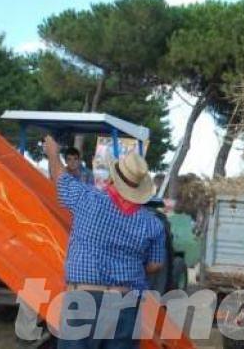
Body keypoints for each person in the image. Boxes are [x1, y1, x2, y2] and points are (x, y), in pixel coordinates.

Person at [44, 136, 165, 349]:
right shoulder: (153, 223)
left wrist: (53, 153)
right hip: (125, 303)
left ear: (112, 178)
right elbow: (156, 265)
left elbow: (60, 178)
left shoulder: (87, 199)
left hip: (83, 299)